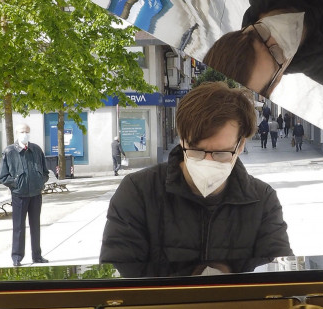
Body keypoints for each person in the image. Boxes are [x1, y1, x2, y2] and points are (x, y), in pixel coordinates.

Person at [100, 81, 292, 269]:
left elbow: (278, 280)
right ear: (182, 140)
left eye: (221, 153)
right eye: (197, 151)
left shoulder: (263, 201)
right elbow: (119, 277)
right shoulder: (138, 192)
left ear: (240, 145)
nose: (208, 161)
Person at [0, 122, 49, 267]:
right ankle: (17, 257)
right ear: (16, 133)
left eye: (27, 131)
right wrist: (16, 184)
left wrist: (40, 182)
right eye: (22, 131)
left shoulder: (36, 150)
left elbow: (45, 172)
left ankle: (37, 255)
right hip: (19, 195)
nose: (25, 134)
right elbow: (2, 177)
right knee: (19, 227)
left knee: (35, 226)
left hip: (35, 194)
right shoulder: (9, 151)